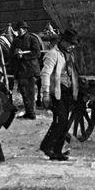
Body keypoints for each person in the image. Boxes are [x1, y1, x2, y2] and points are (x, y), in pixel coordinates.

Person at [39, 28, 80, 161]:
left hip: (68, 92)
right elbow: (45, 74)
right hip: (57, 92)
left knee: (63, 122)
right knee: (61, 121)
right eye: (69, 43)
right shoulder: (53, 54)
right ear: (62, 41)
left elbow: (72, 72)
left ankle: (57, 151)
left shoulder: (69, 54)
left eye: (73, 44)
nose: (71, 46)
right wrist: (45, 94)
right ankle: (47, 146)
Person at [9, 21, 41, 119]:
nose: (19, 31)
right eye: (18, 29)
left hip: (30, 69)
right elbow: (10, 54)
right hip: (20, 70)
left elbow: (37, 53)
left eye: (21, 29)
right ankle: (29, 112)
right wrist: (15, 54)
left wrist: (24, 55)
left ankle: (31, 113)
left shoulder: (32, 39)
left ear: (25, 30)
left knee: (30, 92)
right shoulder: (15, 41)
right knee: (23, 92)